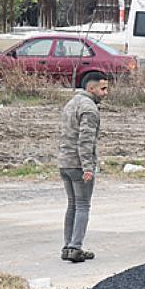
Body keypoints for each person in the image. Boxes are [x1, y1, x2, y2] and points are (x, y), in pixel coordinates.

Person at [58, 73, 109, 263]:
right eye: (103, 88)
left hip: (65, 162)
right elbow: (85, 141)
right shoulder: (89, 109)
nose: (106, 92)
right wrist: (88, 167)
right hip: (79, 164)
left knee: (72, 205)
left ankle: (67, 245)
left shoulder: (71, 103)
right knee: (82, 206)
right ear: (91, 88)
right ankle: (75, 246)